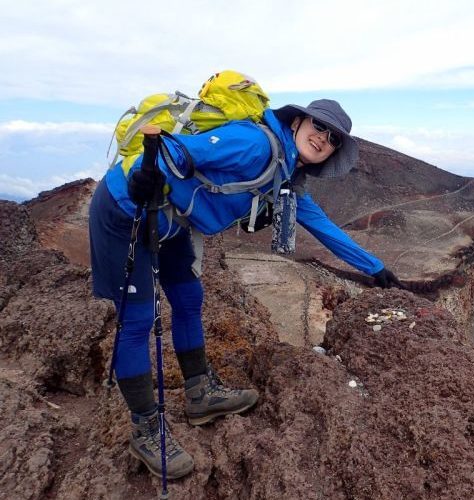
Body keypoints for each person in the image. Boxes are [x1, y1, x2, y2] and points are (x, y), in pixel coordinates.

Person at [88, 99, 403, 479]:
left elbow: (324, 228)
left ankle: (200, 393)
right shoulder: (256, 144)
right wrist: (143, 174)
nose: (322, 138)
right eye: (318, 126)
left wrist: (376, 268)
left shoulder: (283, 177)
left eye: (333, 138)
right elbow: (178, 148)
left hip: (171, 218)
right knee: (137, 321)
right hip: (127, 211)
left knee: (189, 298)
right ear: (298, 121)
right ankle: (144, 428)